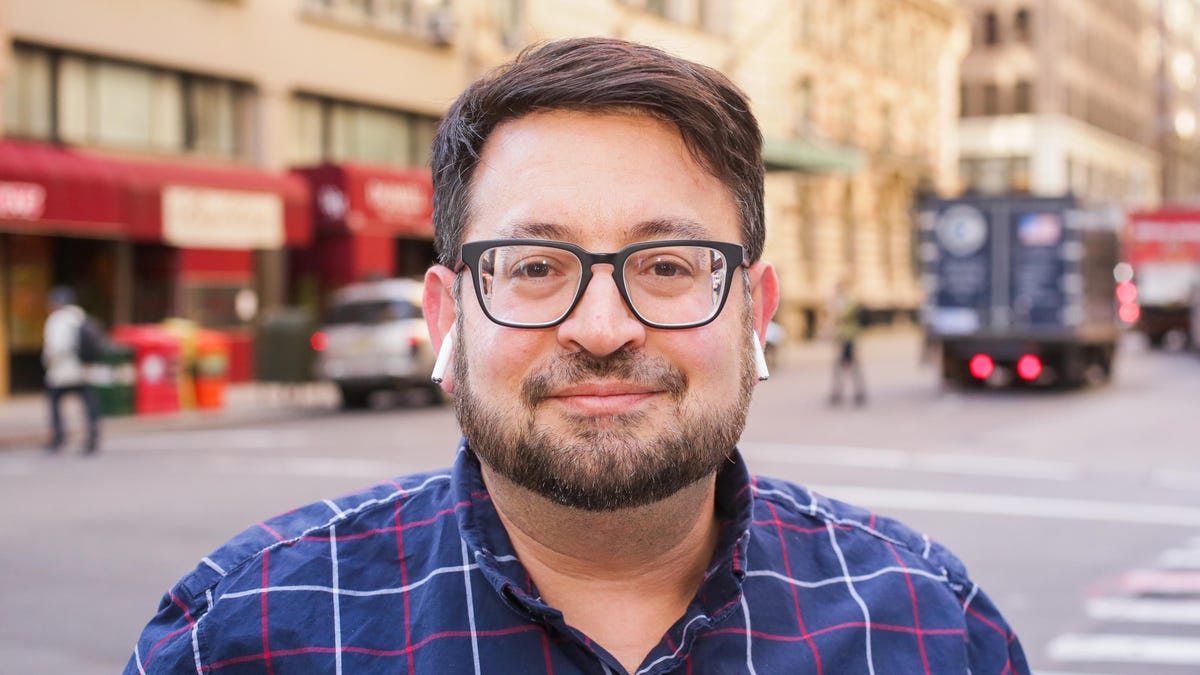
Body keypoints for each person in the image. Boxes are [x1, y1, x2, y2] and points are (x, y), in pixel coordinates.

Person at [125, 38, 1029, 674]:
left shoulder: (934, 627)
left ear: (758, 308)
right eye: (534, 266)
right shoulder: (241, 637)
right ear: (448, 312)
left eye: (669, 265)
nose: (602, 327)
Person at [42, 285, 100, 454]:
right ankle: (92, 436)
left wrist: (48, 361)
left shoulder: (57, 320)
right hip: (83, 369)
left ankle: (58, 437)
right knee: (88, 404)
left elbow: (56, 347)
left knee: (54, 404)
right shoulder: (80, 316)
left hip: (63, 371)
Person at [828, 276, 867, 406]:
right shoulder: (842, 301)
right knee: (839, 367)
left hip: (849, 339)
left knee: (853, 367)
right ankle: (837, 393)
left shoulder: (850, 301)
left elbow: (841, 315)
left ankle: (858, 393)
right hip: (842, 339)